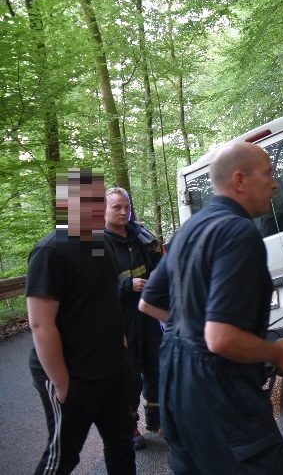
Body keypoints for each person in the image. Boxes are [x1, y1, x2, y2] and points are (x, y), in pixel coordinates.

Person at [139, 142, 283, 474]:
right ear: (240, 180)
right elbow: (221, 339)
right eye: (268, 173)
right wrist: (275, 352)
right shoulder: (239, 233)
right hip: (221, 401)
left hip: (176, 392)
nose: (274, 183)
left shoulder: (189, 229)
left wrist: (193, 335)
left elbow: (150, 303)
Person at [26, 168, 135, 475]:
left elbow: (106, 298)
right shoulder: (50, 250)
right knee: (63, 456)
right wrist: (61, 383)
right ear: (66, 205)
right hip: (73, 374)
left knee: (121, 442)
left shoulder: (99, 244)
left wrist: (121, 347)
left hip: (111, 368)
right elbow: (40, 324)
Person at [104, 187, 163, 449]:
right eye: (116, 207)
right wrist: (126, 286)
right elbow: (94, 286)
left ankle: (158, 421)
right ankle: (131, 428)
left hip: (148, 316)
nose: (123, 212)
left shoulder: (140, 237)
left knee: (156, 369)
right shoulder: (97, 244)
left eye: (126, 206)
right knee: (128, 379)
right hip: (119, 322)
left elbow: (160, 266)